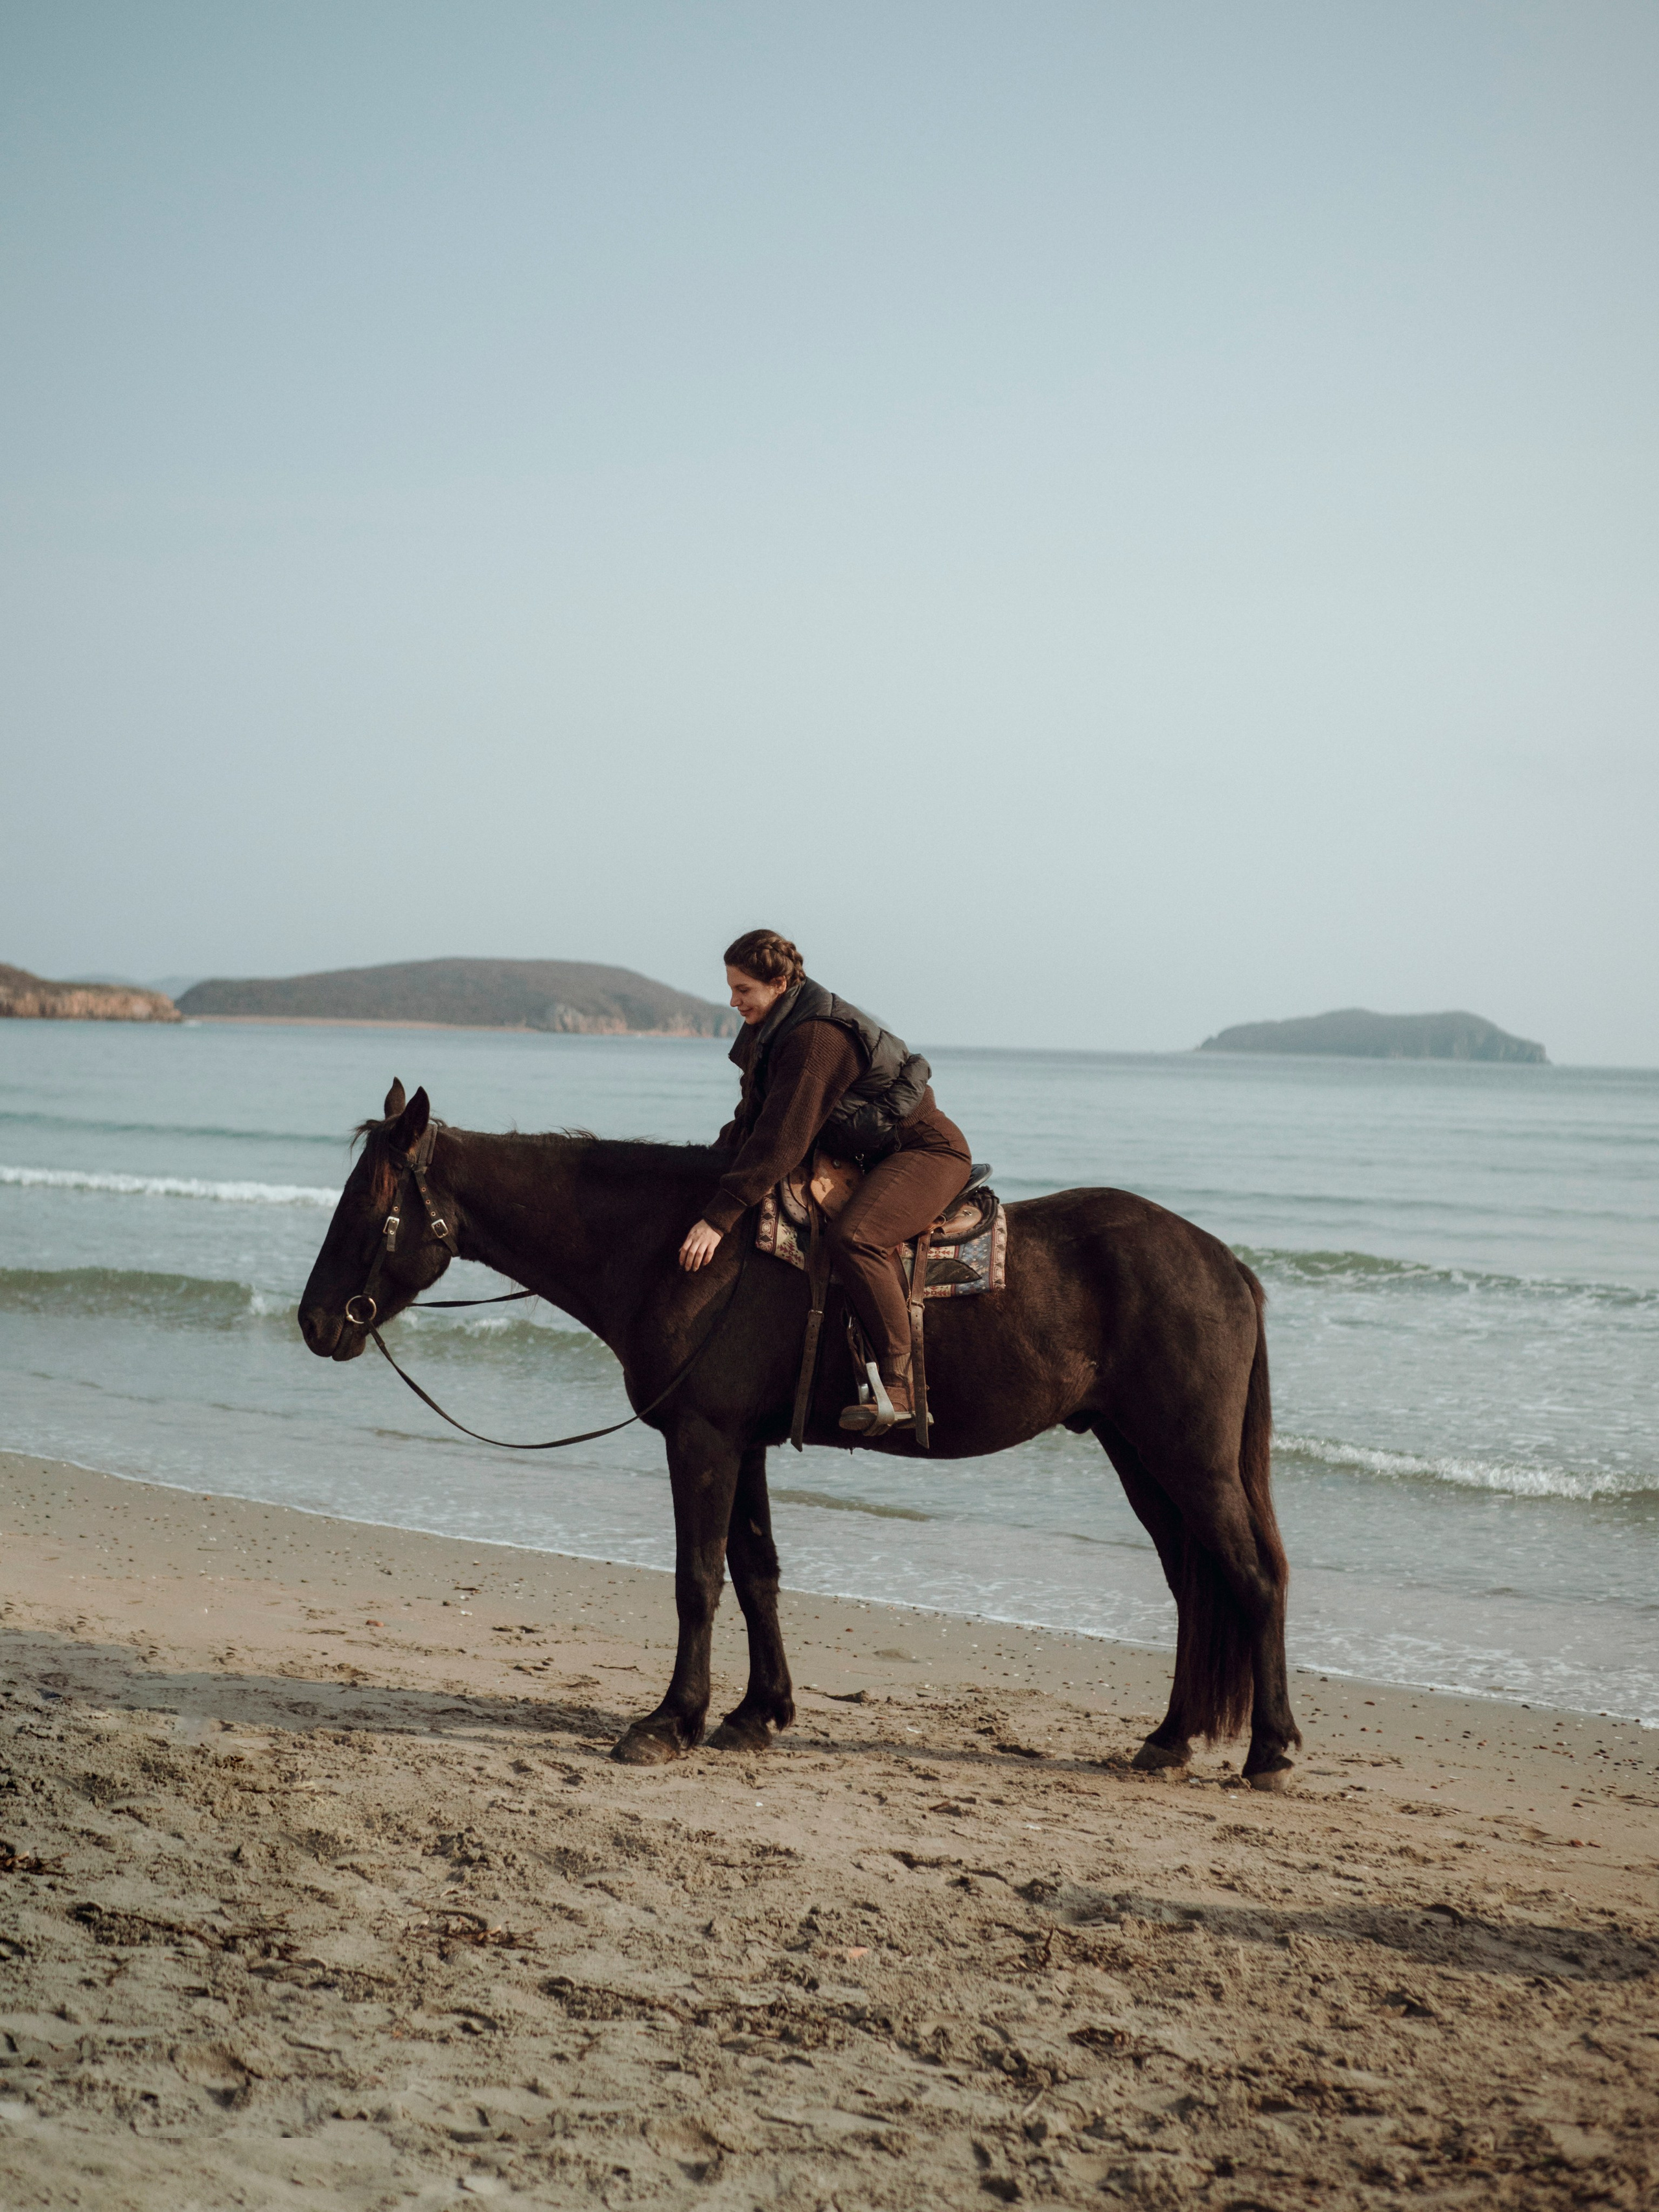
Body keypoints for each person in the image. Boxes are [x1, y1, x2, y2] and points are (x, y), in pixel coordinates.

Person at [679, 928, 972, 1434]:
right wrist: (699, 1172)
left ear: (779, 982)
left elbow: (782, 1140)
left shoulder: (815, 1038)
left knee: (856, 1238)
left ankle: (901, 1387)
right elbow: (752, 1119)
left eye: (743, 989)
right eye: (730, 988)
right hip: (866, 1152)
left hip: (926, 1151)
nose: (733, 1001)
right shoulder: (768, 1026)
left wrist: (718, 1217)